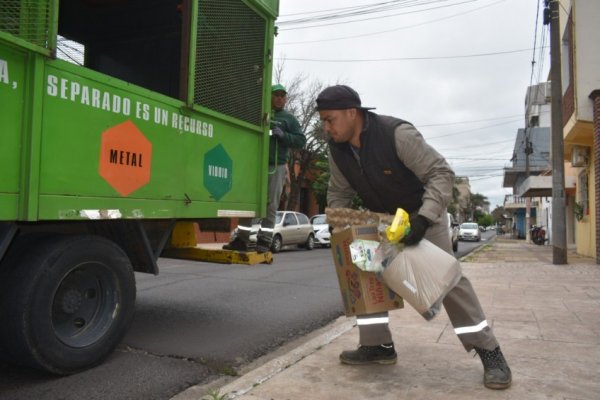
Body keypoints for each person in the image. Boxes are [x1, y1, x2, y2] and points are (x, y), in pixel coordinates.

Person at [316, 85, 511, 390]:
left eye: (330, 120)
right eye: (323, 121)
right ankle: (377, 346)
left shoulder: (397, 134)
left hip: (423, 219)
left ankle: (490, 351)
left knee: (448, 283)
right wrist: (338, 223)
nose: (326, 128)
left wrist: (423, 218)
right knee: (365, 272)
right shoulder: (337, 149)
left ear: (352, 113)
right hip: (382, 223)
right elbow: (340, 191)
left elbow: (441, 173)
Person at [224, 84, 306, 253]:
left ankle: (264, 241)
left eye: (283, 96)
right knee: (248, 202)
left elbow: (301, 140)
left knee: (271, 204)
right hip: (255, 164)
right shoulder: (260, 113)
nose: (280, 98)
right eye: (276, 95)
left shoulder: (288, 119)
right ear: (269, 96)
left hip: (276, 166)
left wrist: (284, 136)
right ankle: (242, 239)